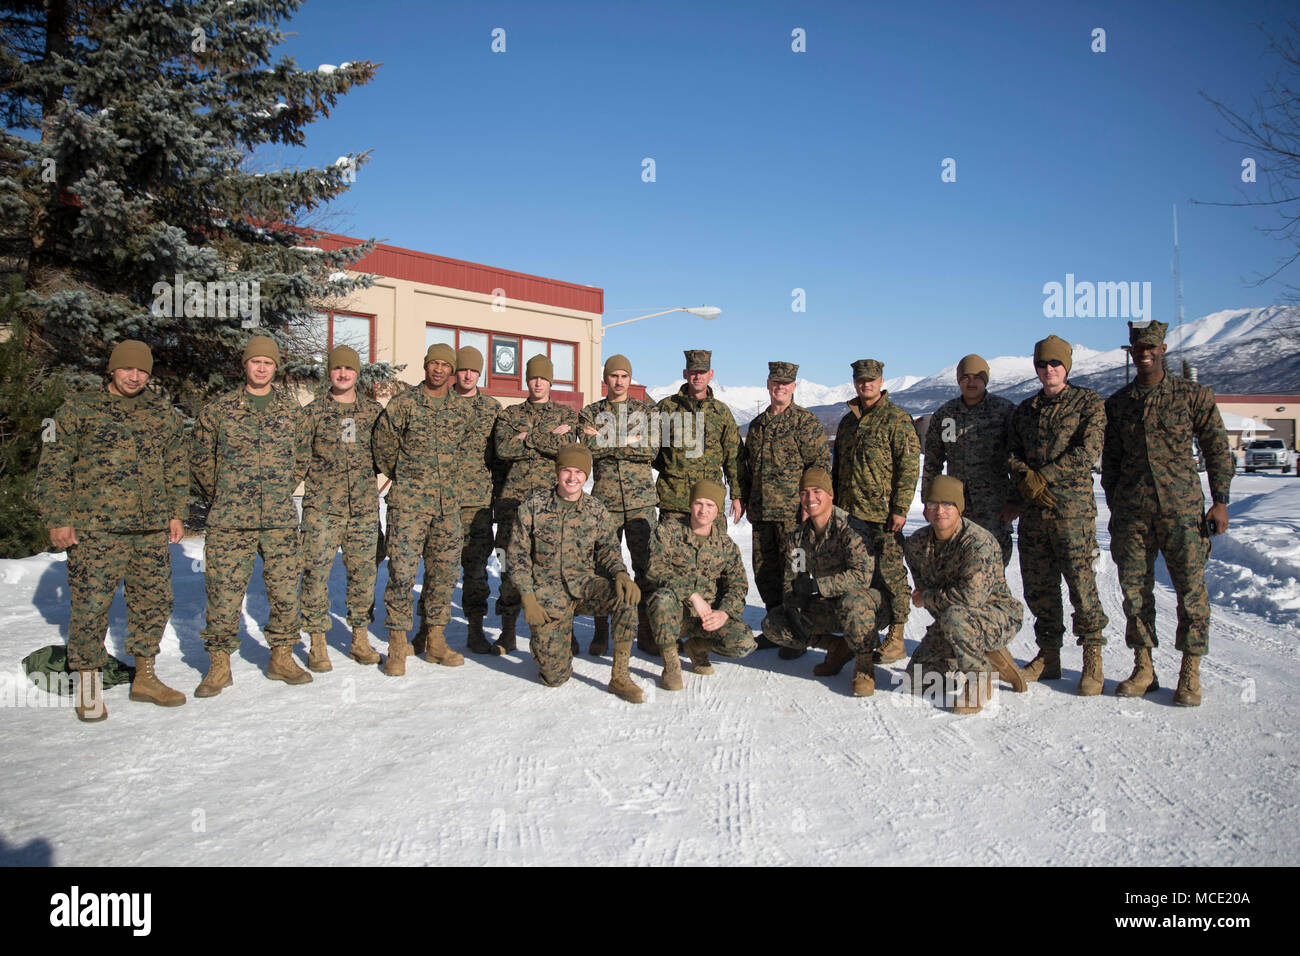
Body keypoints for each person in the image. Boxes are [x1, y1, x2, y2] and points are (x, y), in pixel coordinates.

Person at [35, 340, 188, 721]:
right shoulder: (76, 411)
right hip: (94, 529)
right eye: (127, 369)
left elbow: (176, 467)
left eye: (142, 371)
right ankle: (88, 685)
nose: (134, 376)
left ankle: (145, 677)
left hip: (150, 527)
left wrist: (176, 513)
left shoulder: (162, 415)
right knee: (90, 604)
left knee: (154, 601)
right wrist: (57, 518)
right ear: (112, 370)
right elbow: (53, 467)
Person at [1101, 320, 1233, 706]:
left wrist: (1220, 499)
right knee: (1135, 594)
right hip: (1133, 516)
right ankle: (1144, 667)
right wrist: (1116, 502)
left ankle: (1189, 672)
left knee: (1191, 592)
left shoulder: (1192, 396)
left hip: (1183, 512)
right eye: (1138, 349)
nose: (1144, 354)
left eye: (1151, 348)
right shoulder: (1119, 404)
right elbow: (1111, 462)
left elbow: (1217, 449)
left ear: (1162, 352)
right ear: (1131, 353)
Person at [191, 334, 310, 695]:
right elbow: (200, 459)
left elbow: (301, 457)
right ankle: (219, 665)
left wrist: (278, 488)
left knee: (286, 590)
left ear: (276, 368)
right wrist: (226, 491)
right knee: (224, 592)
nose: (261, 367)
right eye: (255, 361)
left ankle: (282, 657)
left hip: (279, 517)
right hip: (230, 518)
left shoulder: (292, 412)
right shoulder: (219, 410)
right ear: (245, 365)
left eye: (268, 363)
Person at [1007, 334, 1110, 694]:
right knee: (1039, 586)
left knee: (1081, 585)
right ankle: (1049, 654)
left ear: (1066, 365)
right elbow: (1010, 452)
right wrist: (1024, 477)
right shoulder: (1025, 411)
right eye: (1041, 364)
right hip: (1035, 514)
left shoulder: (1087, 403)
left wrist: (1043, 477)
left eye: (1054, 363)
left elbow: (1089, 449)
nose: (1048, 369)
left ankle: (1092, 656)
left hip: (1072, 512)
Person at [506, 444, 644, 702]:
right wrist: (528, 597)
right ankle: (549, 644)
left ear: (586, 475)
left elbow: (608, 550)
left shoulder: (596, 510)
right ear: (557, 472)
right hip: (548, 593)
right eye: (566, 471)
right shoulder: (533, 507)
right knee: (554, 677)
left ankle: (620, 676)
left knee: (625, 597)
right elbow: (517, 557)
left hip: (584, 586)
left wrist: (621, 574)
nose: (572, 478)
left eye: (579, 472)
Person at [371, 343, 475, 675]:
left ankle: (435, 640)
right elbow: (383, 447)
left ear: (452, 370)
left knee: (443, 576)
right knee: (401, 574)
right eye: (434, 363)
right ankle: (398, 646)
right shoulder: (403, 404)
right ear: (426, 365)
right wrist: (406, 476)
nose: (439, 369)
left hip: (447, 507)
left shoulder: (462, 410)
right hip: (409, 506)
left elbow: (463, 453)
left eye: (446, 364)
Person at [903, 476, 1026, 715]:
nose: (940, 511)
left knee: (956, 617)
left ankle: (978, 678)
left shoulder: (978, 543)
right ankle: (987, 657)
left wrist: (927, 598)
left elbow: (970, 599)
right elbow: (927, 591)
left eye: (948, 504)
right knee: (915, 681)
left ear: (959, 508)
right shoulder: (917, 544)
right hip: (953, 620)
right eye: (933, 504)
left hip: (996, 616)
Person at [760, 468, 885, 697]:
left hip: (866, 605)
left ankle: (864, 665)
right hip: (827, 606)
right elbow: (792, 579)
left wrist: (818, 586)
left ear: (830, 495)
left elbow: (861, 577)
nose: (810, 499)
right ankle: (836, 647)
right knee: (774, 623)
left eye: (817, 491)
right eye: (804, 493)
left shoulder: (850, 529)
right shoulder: (798, 539)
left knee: (853, 602)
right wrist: (793, 606)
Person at [299, 345, 384, 671]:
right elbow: (298, 457)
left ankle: (359, 638)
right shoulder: (312, 413)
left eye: (349, 369)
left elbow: (388, 451)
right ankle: (317, 643)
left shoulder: (374, 413)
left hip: (362, 509)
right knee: (315, 575)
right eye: (337, 369)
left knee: (364, 576)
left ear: (357, 373)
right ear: (330, 373)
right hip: (322, 509)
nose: (343, 374)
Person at [412, 345, 501, 656]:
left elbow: (499, 456)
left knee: (475, 567)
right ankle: (425, 629)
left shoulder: (492, 408)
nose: (467, 375)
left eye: (474, 371)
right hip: (439, 499)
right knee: (436, 567)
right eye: (462, 369)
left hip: (476, 502)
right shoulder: (436, 402)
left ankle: (475, 629)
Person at [491, 354, 581, 654]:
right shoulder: (509, 414)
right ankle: (507, 631)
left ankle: (561, 629)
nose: (538, 382)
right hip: (512, 505)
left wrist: (526, 437)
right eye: (533, 377)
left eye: (543, 377)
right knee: (508, 565)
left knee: (553, 566)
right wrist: (545, 436)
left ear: (551, 381)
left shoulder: (566, 415)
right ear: (526, 381)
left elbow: (567, 448)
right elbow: (503, 449)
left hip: (550, 506)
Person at [741, 361, 831, 655]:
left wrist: (812, 503)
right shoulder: (757, 426)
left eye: (786, 383)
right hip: (762, 512)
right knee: (765, 571)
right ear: (768, 385)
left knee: (795, 573)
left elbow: (819, 465)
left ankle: (797, 632)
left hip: (794, 514)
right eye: (775, 382)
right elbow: (746, 468)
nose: (780, 388)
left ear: (794, 387)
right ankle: (775, 627)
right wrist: (741, 497)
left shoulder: (805, 423)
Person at [831, 358, 918, 663]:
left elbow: (909, 467)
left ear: (881, 381)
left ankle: (897, 636)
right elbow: (837, 468)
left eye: (871, 379)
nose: (865, 384)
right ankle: (859, 633)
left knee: (892, 575)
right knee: (856, 577)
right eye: (860, 380)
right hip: (849, 515)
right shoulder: (847, 422)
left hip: (882, 516)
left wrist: (900, 508)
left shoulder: (897, 419)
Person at [579, 354, 658, 656]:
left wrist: (606, 438)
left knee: (646, 567)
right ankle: (601, 632)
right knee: (603, 568)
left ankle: (647, 631)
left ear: (630, 379)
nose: (619, 381)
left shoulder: (646, 411)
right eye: (614, 376)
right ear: (606, 379)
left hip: (641, 504)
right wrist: (629, 438)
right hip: (605, 503)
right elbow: (587, 449)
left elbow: (650, 449)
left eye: (624, 376)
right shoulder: (591, 412)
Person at [645, 480, 755, 688]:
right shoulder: (668, 532)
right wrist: (693, 596)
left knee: (743, 642)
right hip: (675, 615)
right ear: (690, 504)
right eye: (698, 503)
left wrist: (724, 613)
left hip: (707, 618)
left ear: (718, 510)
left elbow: (738, 586)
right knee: (661, 599)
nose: (703, 510)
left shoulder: (726, 546)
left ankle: (697, 647)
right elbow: (655, 568)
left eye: (710, 505)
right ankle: (671, 665)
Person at [922, 354, 1017, 567]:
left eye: (977, 376)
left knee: (994, 563)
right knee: (957, 561)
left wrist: (1015, 499)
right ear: (958, 380)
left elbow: (1018, 459)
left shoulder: (1004, 411)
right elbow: (933, 461)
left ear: (986, 379)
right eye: (965, 377)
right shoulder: (946, 414)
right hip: (955, 503)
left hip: (994, 504)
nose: (971, 381)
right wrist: (929, 500)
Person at [653, 349, 744, 528]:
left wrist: (737, 494)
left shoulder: (720, 412)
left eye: (702, 372)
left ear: (711, 374)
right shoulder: (667, 408)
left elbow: (734, 457)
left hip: (710, 501)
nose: (698, 376)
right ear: (685, 374)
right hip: (674, 502)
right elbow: (650, 449)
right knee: (672, 555)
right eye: (693, 372)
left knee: (712, 555)